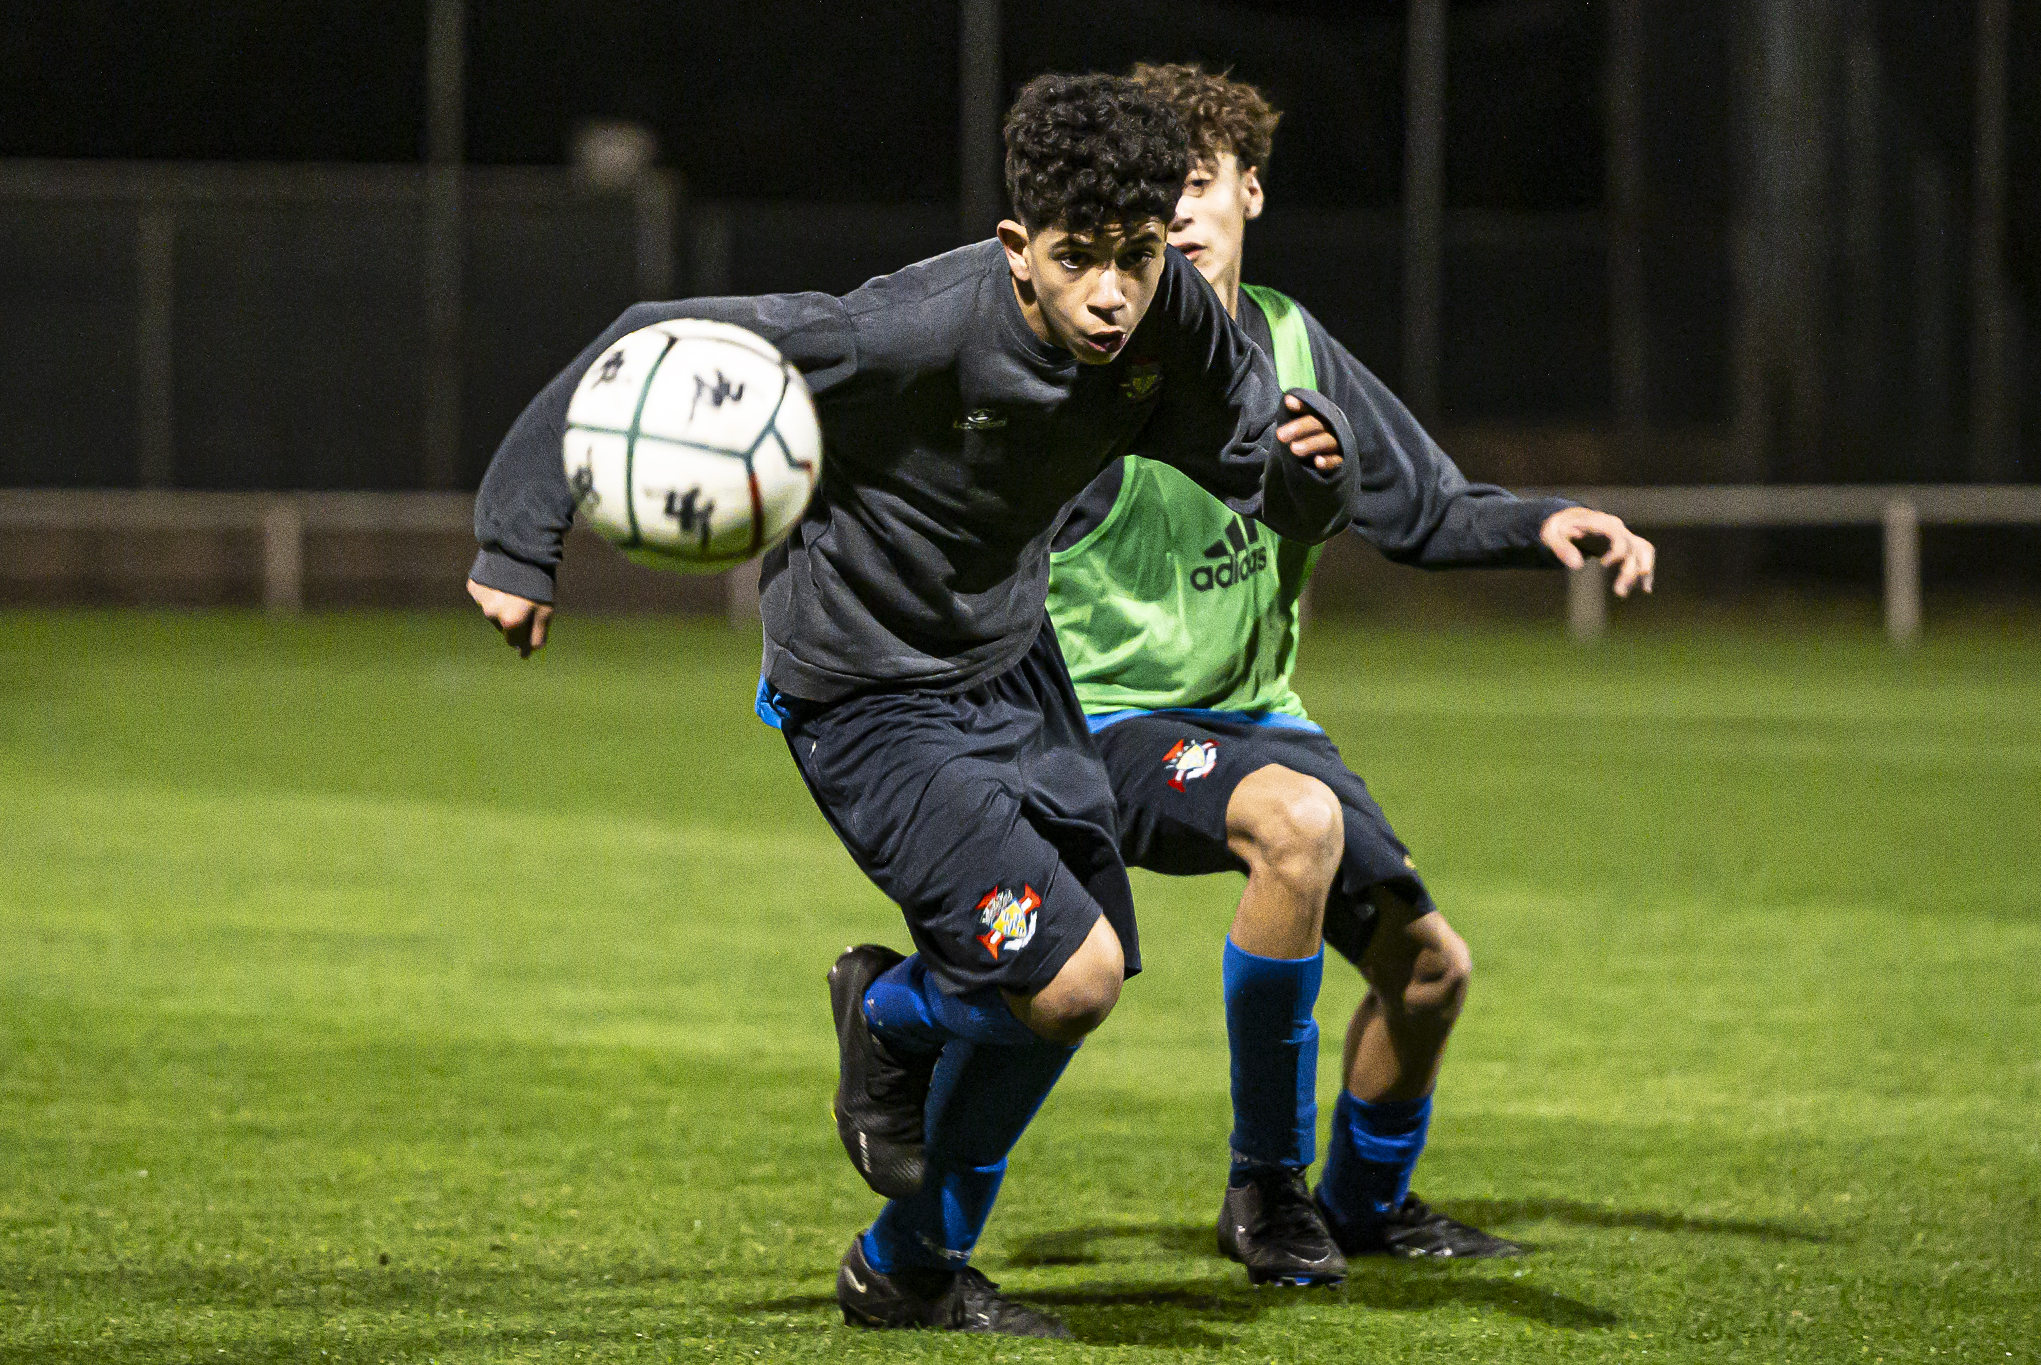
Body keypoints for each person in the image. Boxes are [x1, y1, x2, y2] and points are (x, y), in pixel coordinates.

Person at [465, 73, 1357, 1338]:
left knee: (1064, 993)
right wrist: (516, 542)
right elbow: (649, 336)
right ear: (1015, 251)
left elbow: (1261, 485)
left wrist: (1307, 480)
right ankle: (886, 1016)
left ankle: (908, 1263)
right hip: (865, 685)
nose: (1111, 293)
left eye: (1138, 258)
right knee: (1068, 977)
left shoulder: (1181, 331)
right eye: (1076, 260)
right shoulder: (911, 330)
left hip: (1011, 666)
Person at [1043, 63, 1657, 1287]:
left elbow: (1418, 504)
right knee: (1290, 826)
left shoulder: (1286, 339)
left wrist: (1536, 525)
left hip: (1255, 717)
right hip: (1101, 724)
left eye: (1200, 180)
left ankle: (1365, 1203)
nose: (1175, 207)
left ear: (1249, 195)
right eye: (1154, 184)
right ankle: (1264, 1192)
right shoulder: (1080, 353)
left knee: (1430, 972)